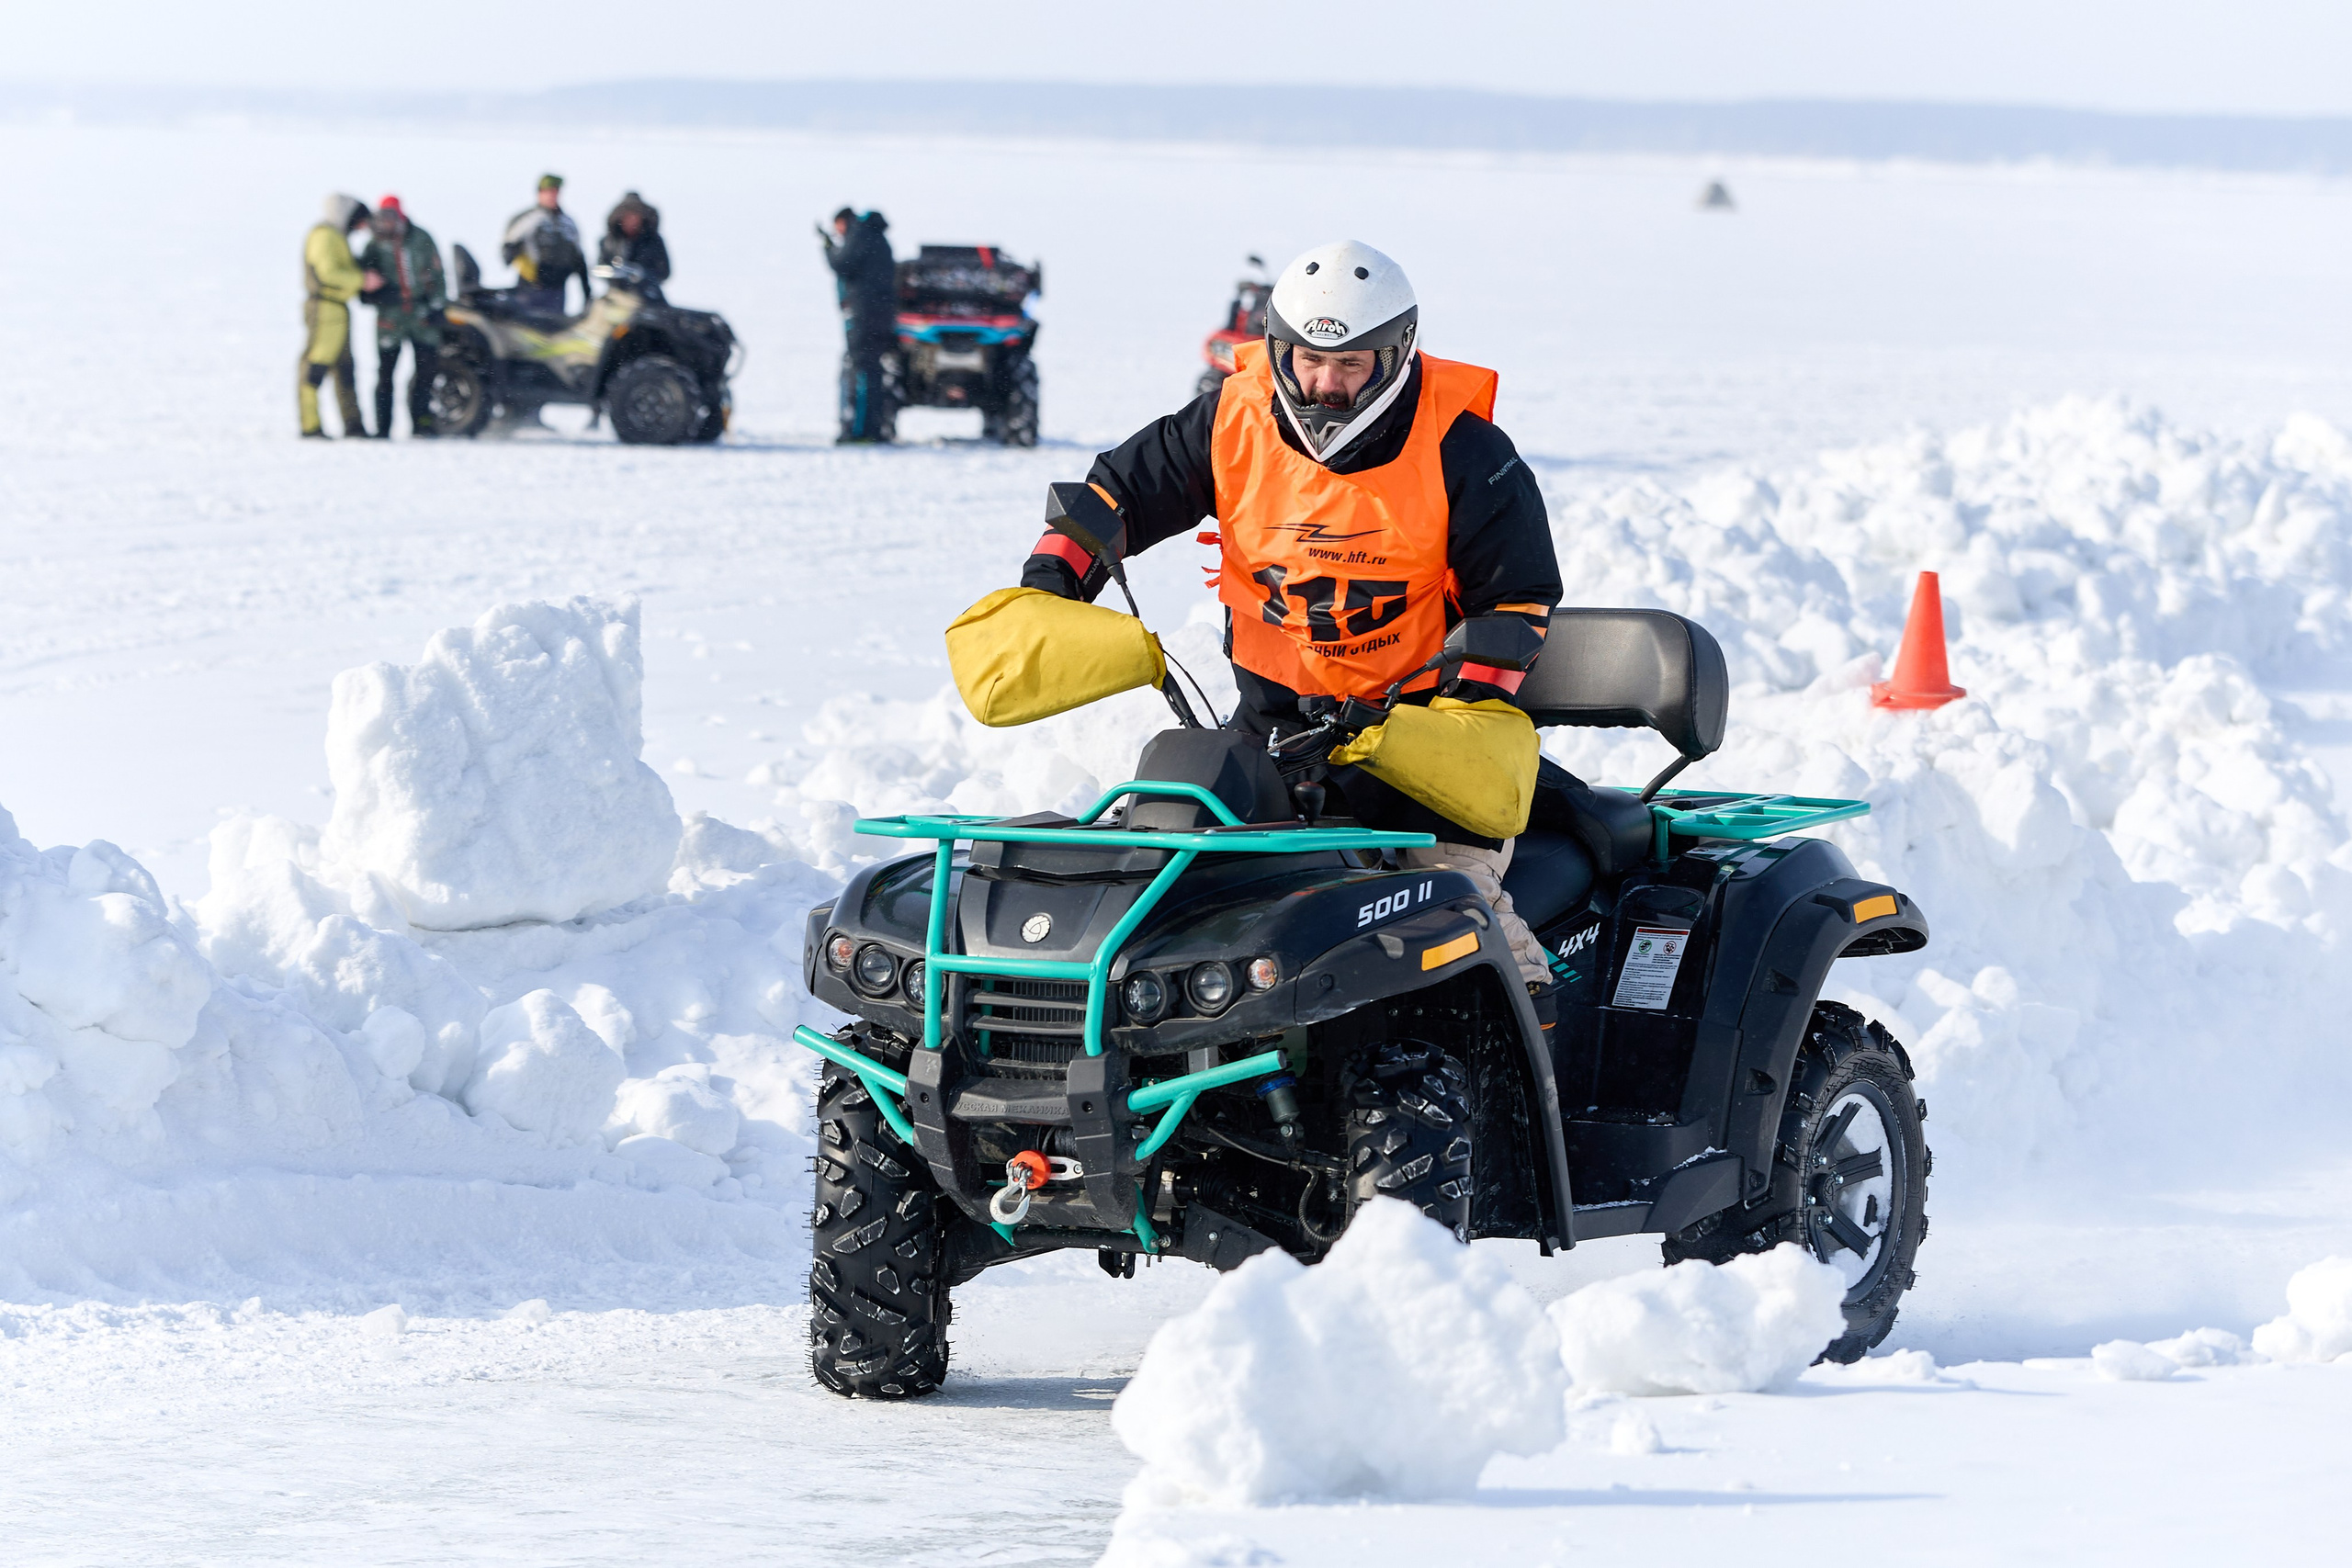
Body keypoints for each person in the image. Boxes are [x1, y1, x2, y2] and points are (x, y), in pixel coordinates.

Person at [1014, 240, 1563, 1003]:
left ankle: (1527, 1065)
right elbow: (1114, 498)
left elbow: (1517, 600)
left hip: (1425, 750)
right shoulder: (1229, 422)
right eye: (1307, 360)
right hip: (1269, 737)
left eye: (1350, 366)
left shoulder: (1466, 450)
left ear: (1397, 353)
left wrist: (1463, 710)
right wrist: (1049, 586)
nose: (1324, 385)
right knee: (1154, 906)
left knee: (1465, 919)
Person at [358, 195, 447, 438]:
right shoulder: (375, 244)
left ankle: (422, 422)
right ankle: (382, 427)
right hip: (390, 318)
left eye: (391, 218)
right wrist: (374, 294)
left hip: (421, 316)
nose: (387, 224)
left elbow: (438, 274)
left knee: (426, 371)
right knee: (385, 374)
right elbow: (364, 278)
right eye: (382, 218)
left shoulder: (421, 239)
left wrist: (437, 306)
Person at [298, 194, 372, 438]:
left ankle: (353, 425)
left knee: (345, 369)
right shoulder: (325, 235)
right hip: (325, 308)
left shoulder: (336, 236)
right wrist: (363, 280)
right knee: (316, 366)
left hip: (338, 309)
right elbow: (328, 272)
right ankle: (311, 426)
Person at [821, 207, 897, 443]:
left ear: (844, 221)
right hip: (882, 313)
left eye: (837, 228)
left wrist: (828, 247)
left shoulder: (860, 234)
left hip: (864, 314)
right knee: (872, 369)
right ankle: (872, 427)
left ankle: (860, 430)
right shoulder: (876, 236)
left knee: (862, 369)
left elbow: (842, 264)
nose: (838, 234)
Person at [501, 174, 589, 316]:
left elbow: (579, 258)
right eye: (547, 192)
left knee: (554, 331)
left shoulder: (568, 224)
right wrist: (509, 257)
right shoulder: (528, 218)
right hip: (530, 288)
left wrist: (586, 291)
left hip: (558, 290)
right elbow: (508, 244)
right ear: (539, 193)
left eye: (555, 192)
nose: (551, 196)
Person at [598, 191, 670, 287]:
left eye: (634, 217)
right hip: (616, 293)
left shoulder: (653, 242)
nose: (631, 221)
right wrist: (615, 273)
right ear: (620, 218)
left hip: (648, 294)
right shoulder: (609, 242)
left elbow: (664, 272)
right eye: (627, 217)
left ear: (642, 219)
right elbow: (600, 269)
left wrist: (642, 273)